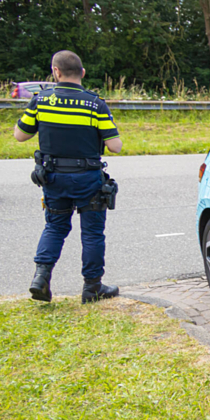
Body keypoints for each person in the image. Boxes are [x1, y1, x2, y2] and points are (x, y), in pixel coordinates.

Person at [14, 50, 123, 303]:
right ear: (82, 73)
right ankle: (92, 287)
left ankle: (41, 278)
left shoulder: (41, 101)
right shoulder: (95, 103)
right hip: (88, 179)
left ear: (56, 72)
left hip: (52, 178)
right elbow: (115, 146)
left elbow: (20, 135)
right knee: (93, 234)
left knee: (54, 227)